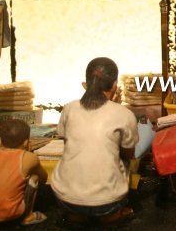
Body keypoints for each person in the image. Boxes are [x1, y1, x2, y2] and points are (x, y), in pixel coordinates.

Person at [51, 57, 139, 226]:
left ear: (86, 83)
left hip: (67, 198)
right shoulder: (124, 114)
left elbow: (67, 144)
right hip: (108, 202)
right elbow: (129, 153)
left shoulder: (69, 108)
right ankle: (112, 215)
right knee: (125, 160)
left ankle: (76, 216)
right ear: (114, 85)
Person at [0, 119, 48, 225]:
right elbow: (44, 178)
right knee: (34, 177)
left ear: (1, 141)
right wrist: (28, 153)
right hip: (11, 213)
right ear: (26, 142)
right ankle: (28, 217)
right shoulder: (30, 158)